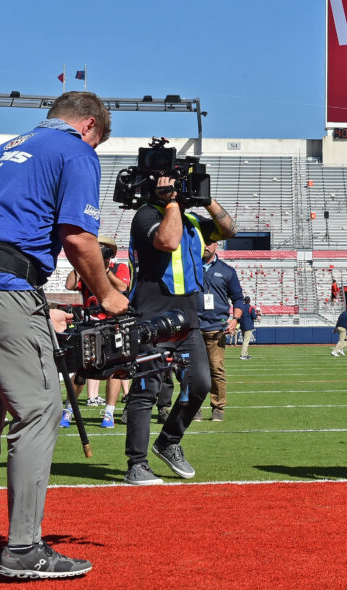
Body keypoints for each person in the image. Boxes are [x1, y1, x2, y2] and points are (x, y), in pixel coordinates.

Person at [0, 91, 127, 580]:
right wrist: (107, 293)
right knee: (38, 411)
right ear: (90, 127)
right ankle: (22, 549)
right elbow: (77, 236)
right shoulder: (76, 150)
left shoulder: (5, 149)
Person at [122, 163, 236, 486]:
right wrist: (170, 200)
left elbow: (229, 230)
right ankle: (136, 463)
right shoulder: (146, 214)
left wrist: (206, 198)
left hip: (187, 316)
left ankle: (169, 440)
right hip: (151, 313)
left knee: (199, 383)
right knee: (148, 389)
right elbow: (169, 242)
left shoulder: (193, 222)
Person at [64, 235, 131, 429]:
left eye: (104, 250)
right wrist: (79, 263)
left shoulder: (119, 268)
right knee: (81, 370)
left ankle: (108, 413)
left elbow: (123, 287)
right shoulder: (86, 268)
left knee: (115, 371)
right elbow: (69, 285)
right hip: (90, 324)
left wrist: (105, 271)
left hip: (114, 324)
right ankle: (69, 410)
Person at [195, 241, 244, 422]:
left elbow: (238, 298)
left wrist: (235, 319)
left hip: (217, 328)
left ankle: (218, 408)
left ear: (216, 245)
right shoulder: (189, 265)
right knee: (194, 371)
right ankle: (195, 407)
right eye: (202, 243)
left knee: (216, 369)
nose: (205, 246)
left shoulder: (227, 270)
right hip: (193, 327)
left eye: (209, 243)